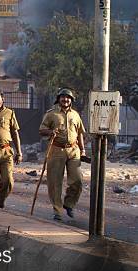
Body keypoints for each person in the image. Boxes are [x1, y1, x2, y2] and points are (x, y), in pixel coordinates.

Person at [38, 88, 86, 221]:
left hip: (73, 150)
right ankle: (57, 210)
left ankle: (69, 204)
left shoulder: (75, 115)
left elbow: (80, 133)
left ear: (71, 100)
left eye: (68, 98)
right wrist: (50, 131)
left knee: (77, 180)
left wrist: (82, 150)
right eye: (63, 97)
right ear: (58, 99)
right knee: (54, 182)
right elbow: (41, 130)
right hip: (56, 150)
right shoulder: (51, 114)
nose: (65, 100)